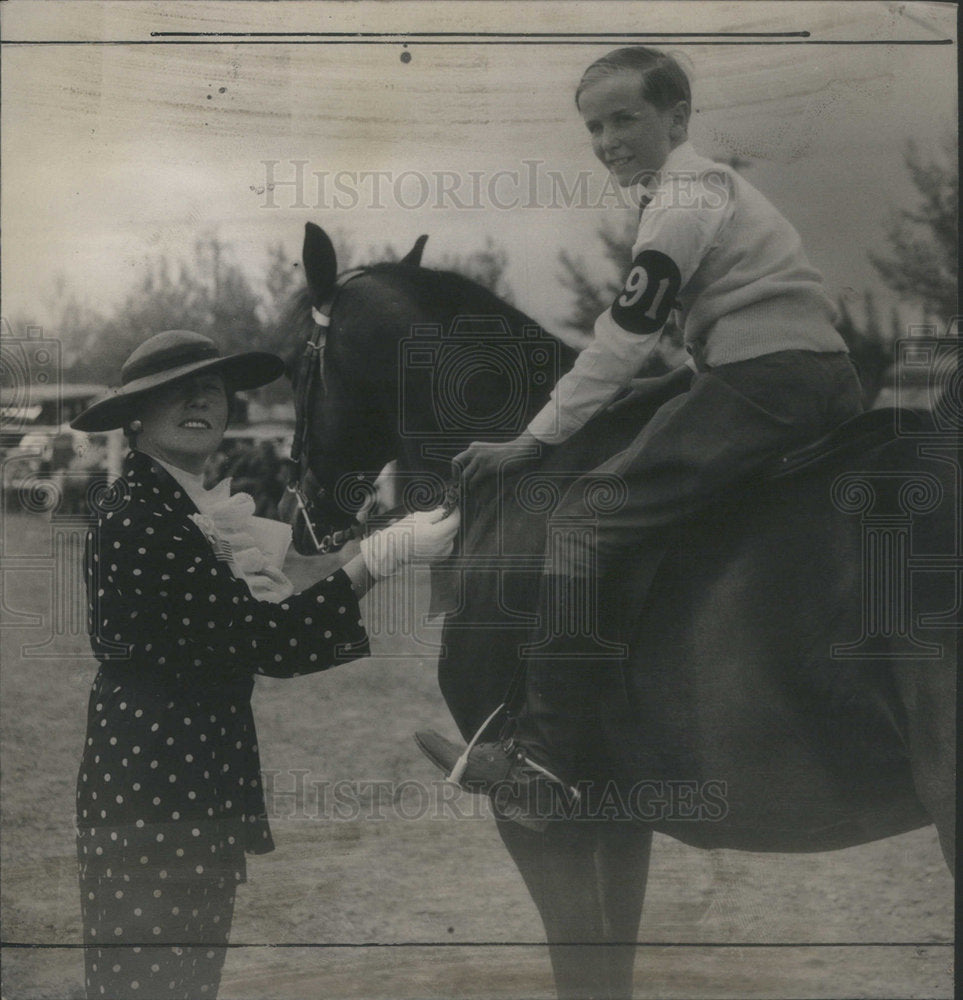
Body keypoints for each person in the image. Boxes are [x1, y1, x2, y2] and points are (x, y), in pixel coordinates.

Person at [415, 46, 863, 826]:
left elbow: (624, 336)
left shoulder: (683, 198)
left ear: (677, 117)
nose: (607, 140)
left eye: (626, 118)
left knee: (585, 519)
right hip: (794, 369)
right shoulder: (693, 190)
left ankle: (547, 759)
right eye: (594, 127)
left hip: (766, 378)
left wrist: (533, 438)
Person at [70, 330, 458, 999]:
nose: (200, 398)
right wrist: (383, 556)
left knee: (183, 978)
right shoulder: (138, 516)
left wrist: (367, 540)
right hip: (155, 777)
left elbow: (275, 596)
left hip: (187, 768)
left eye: (213, 386)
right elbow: (264, 639)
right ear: (135, 413)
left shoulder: (182, 504)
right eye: (176, 389)